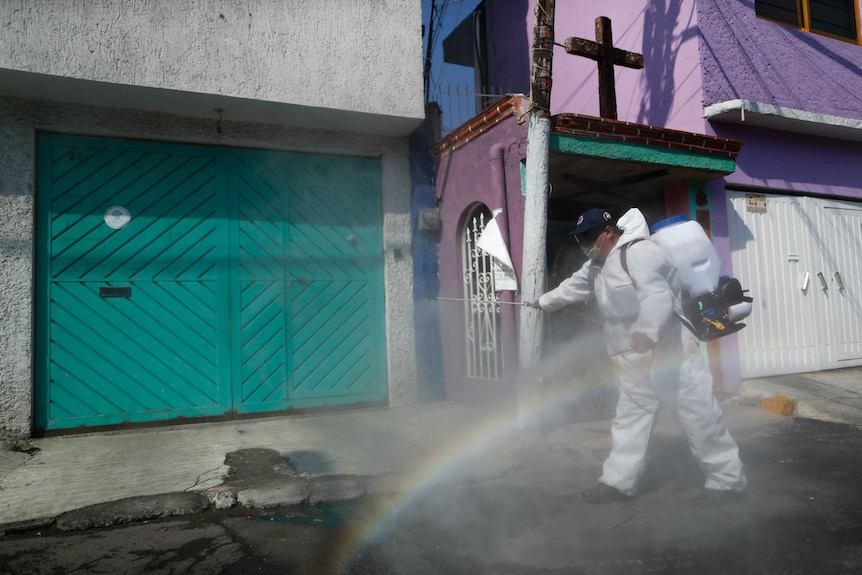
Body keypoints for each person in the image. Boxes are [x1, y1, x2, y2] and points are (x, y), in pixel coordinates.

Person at [532, 207, 748, 507]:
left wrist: (647, 331)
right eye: (580, 238)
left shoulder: (641, 253)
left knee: (699, 417)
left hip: (670, 353)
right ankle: (618, 483)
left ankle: (728, 482)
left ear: (608, 232)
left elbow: (657, 296)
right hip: (633, 359)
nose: (584, 243)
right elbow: (572, 287)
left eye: (589, 236)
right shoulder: (597, 265)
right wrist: (543, 302)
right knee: (629, 421)